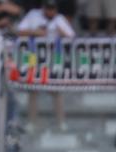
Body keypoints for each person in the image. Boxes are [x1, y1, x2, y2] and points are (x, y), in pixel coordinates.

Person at [16, 0, 75, 130]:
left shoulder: (59, 19)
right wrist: (34, 32)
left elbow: (72, 37)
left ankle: (61, 121)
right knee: (33, 89)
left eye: (53, 9)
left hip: (53, 58)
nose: (50, 11)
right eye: (48, 8)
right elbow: (19, 31)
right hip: (33, 57)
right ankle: (32, 122)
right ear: (43, 8)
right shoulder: (33, 15)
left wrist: (61, 33)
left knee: (56, 89)